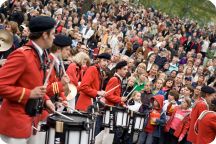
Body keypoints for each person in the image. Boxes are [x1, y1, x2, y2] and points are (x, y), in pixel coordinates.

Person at [0, 16, 56, 144]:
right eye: (52, 33)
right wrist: (29, 94)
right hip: (15, 124)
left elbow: (36, 85)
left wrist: (46, 100)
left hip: (30, 121)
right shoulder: (22, 55)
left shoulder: (42, 55)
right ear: (44, 35)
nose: (54, 37)